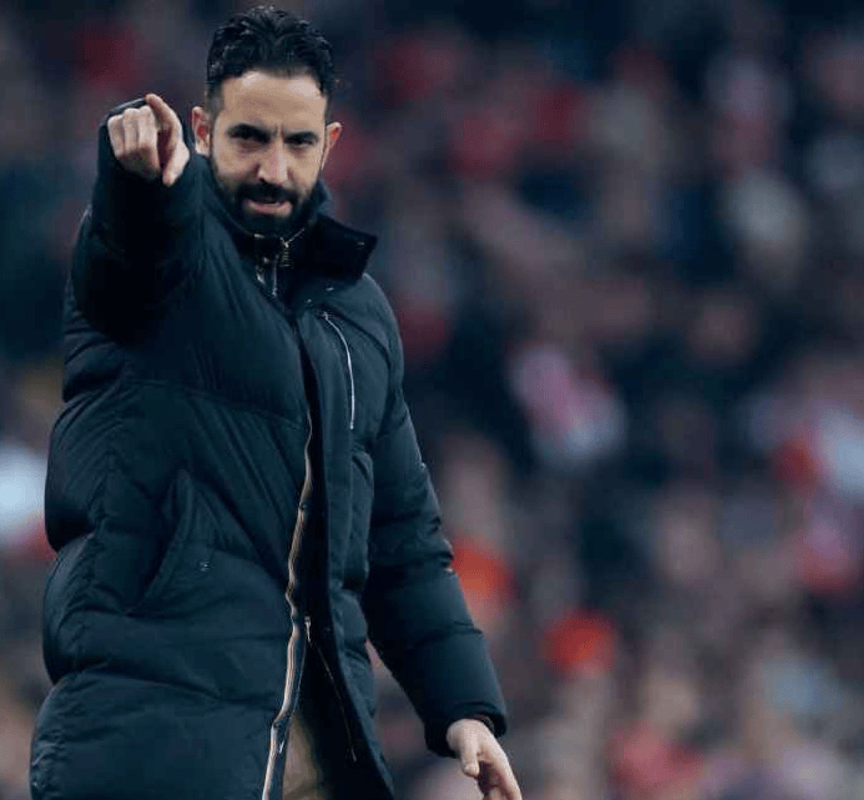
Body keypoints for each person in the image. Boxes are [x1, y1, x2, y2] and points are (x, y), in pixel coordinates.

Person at [31, 7, 520, 799]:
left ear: (330, 143)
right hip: (149, 741)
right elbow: (126, 263)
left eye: (297, 143)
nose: (273, 169)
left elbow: (400, 537)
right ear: (202, 131)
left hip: (317, 744)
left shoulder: (357, 313)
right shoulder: (163, 244)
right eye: (248, 138)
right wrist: (141, 183)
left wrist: (463, 707)